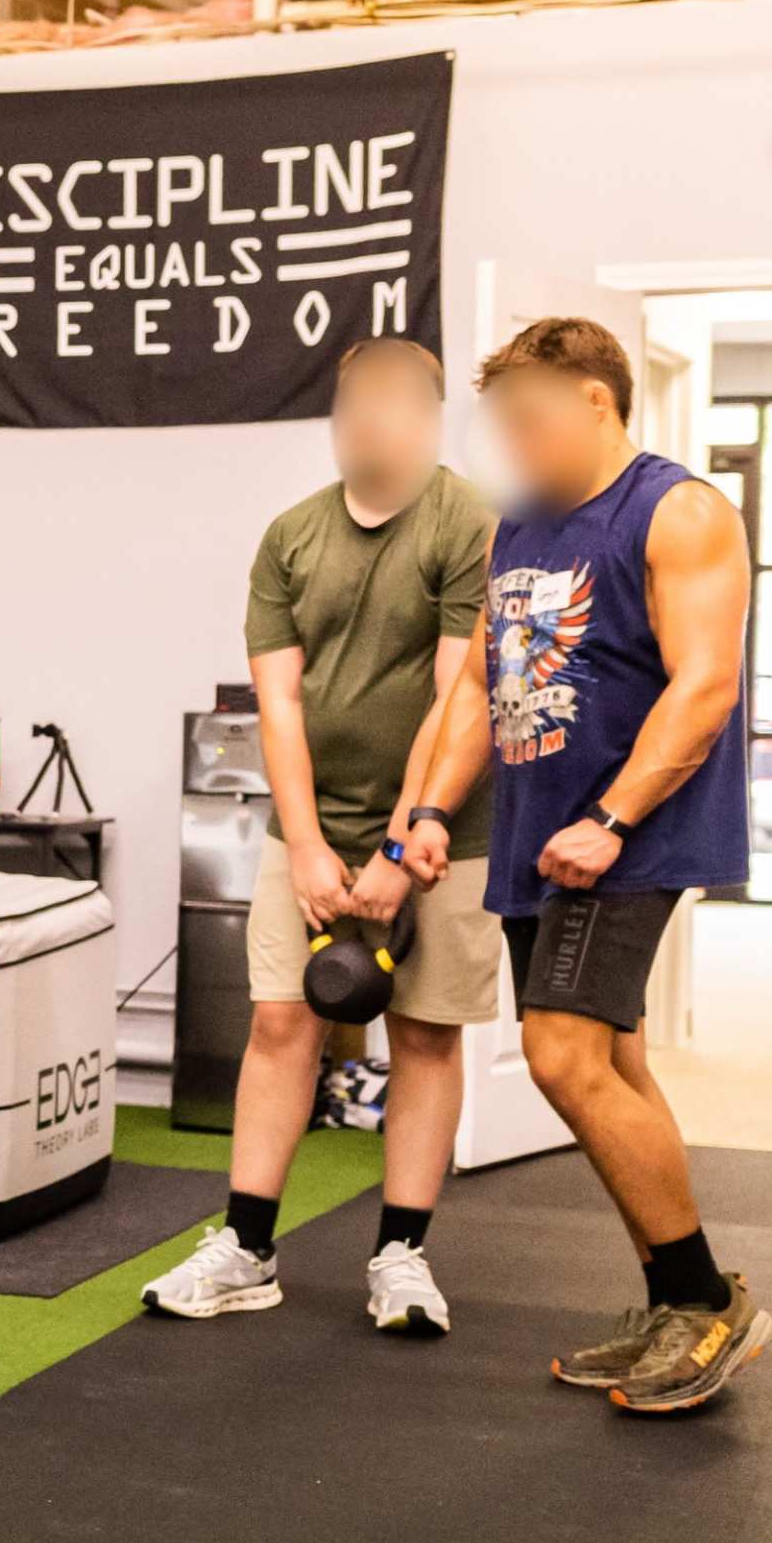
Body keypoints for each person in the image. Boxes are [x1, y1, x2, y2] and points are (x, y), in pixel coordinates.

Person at [402, 314, 770, 1414]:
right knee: (610, 1062)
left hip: (626, 833)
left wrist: (611, 816)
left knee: (561, 1058)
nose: (512, 442)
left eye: (529, 418)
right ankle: (673, 1299)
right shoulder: (515, 527)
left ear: (597, 401)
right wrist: (426, 807)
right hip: (537, 836)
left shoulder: (679, 510)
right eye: (500, 422)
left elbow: (705, 686)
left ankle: (707, 1303)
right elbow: (476, 688)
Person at [146, 338, 505, 1334]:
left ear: (432, 420)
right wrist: (305, 842)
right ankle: (248, 1248)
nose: (368, 425)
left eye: (392, 407)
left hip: (446, 831)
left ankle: (401, 1254)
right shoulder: (291, 537)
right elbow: (281, 707)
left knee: (426, 1036)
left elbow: (458, 695)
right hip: (313, 826)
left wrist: (400, 846)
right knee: (279, 1024)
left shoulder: (470, 522)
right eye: (352, 406)